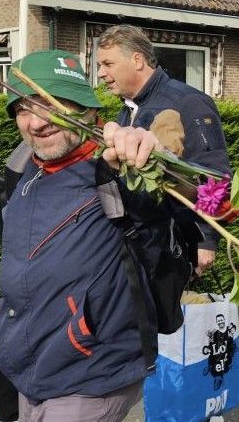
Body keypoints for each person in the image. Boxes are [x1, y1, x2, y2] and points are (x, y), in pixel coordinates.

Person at [0, 50, 168, 420]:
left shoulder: (114, 168)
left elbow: (165, 203)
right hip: (30, 369)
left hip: (88, 373)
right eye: (23, 109)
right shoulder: (21, 167)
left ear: (88, 109)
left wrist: (146, 148)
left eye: (51, 104)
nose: (36, 122)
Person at [96, 25, 231, 276]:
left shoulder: (188, 102)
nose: (101, 73)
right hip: (141, 239)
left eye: (108, 64)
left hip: (174, 240)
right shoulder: (127, 110)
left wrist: (206, 240)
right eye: (100, 66)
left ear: (137, 60)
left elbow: (215, 173)